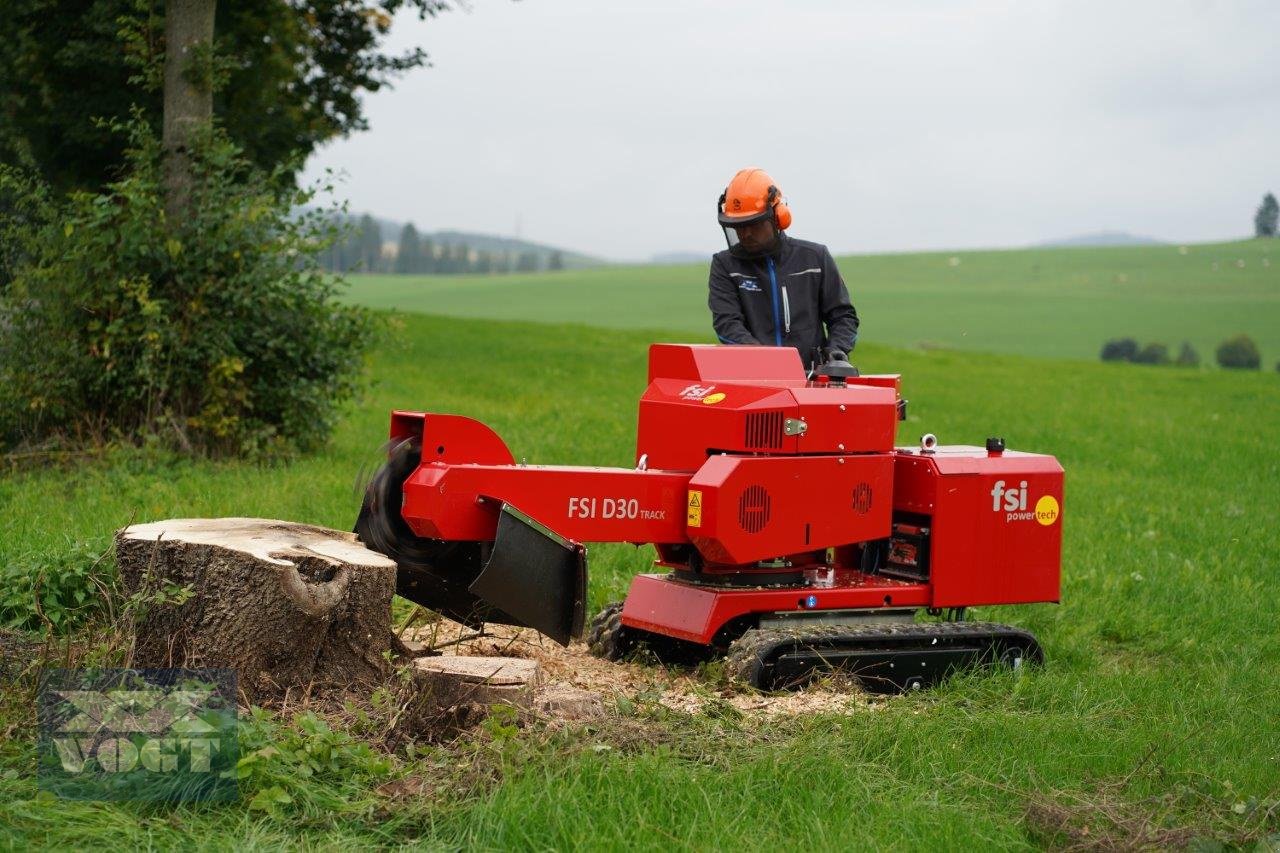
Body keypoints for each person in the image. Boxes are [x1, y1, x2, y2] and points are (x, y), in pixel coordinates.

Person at [708, 167, 859, 368]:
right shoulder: (725, 265)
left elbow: (843, 316)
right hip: (753, 375)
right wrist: (767, 361)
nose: (745, 234)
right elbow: (727, 324)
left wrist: (836, 350)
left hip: (811, 376)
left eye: (754, 225)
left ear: (779, 217)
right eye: (739, 226)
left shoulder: (815, 258)